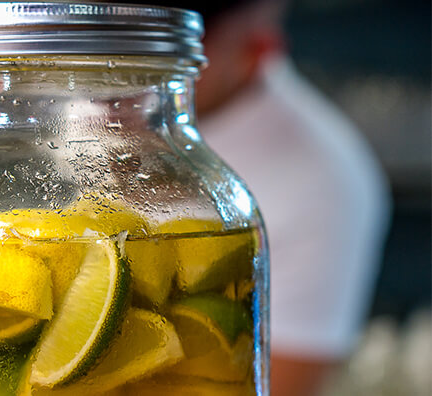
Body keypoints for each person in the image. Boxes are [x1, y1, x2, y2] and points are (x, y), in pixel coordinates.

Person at [124, 0, 392, 395]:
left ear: (261, 39)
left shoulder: (326, 184)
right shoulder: (58, 85)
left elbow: (271, 383)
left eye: (166, 36)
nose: (128, 66)